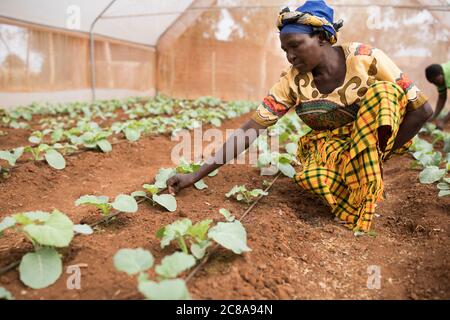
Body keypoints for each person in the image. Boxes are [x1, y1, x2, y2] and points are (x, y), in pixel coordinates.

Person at [167, 0, 433, 233]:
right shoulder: (292, 82)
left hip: (376, 138)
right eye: (285, 50)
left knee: (383, 92)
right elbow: (251, 129)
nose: (290, 56)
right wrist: (194, 175)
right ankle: (350, 181)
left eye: (295, 46)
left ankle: (367, 178)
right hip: (333, 147)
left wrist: (375, 157)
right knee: (312, 177)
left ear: (320, 36)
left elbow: (422, 110)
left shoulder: (366, 59)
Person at [425, 62, 450, 129]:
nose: (436, 84)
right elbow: (442, 98)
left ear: (441, 73)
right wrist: (434, 116)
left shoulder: (448, 74)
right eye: (433, 83)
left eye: (436, 81)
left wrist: (443, 121)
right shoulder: (439, 80)